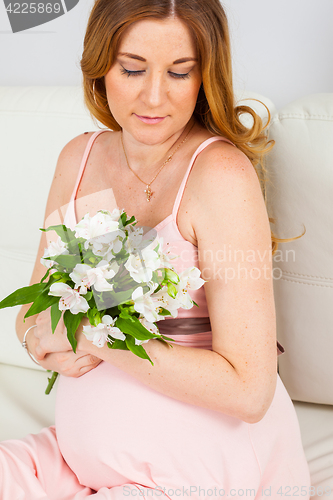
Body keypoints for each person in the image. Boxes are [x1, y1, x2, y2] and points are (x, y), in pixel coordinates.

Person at [0, 0, 311, 498]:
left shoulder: (220, 176)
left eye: (179, 72)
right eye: (132, 68)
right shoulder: (79, 158)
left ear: (205, 75)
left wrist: (100, 338)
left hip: (194, 471)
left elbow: (250, 392)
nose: (153, 96)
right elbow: (32, 310)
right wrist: (39, 338)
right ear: (101, 65)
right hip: (79, 459)